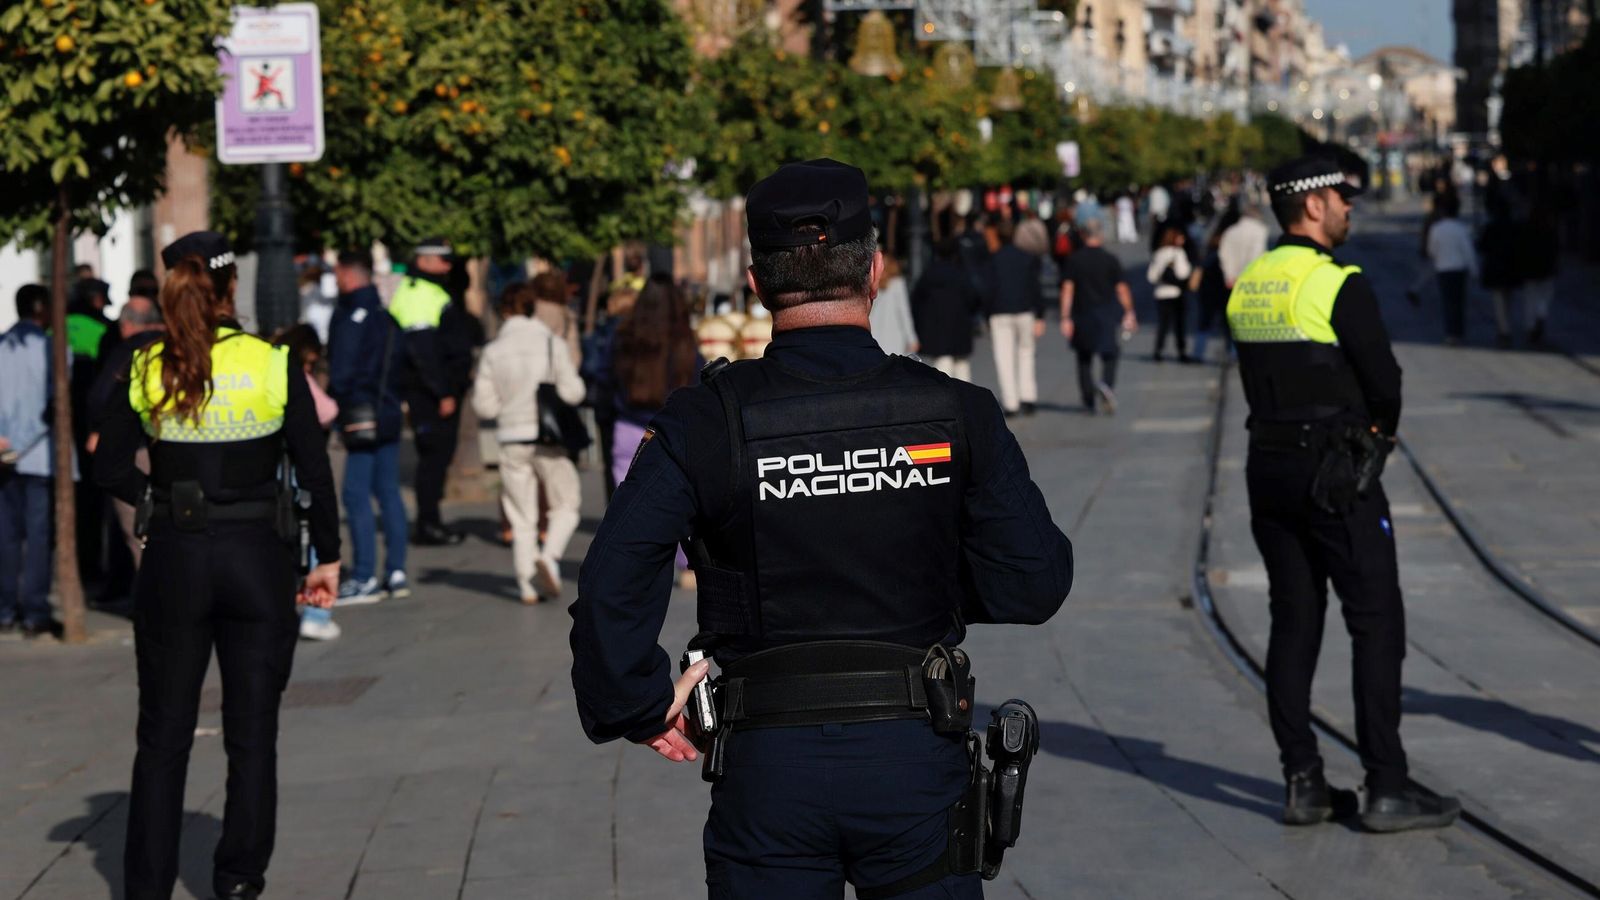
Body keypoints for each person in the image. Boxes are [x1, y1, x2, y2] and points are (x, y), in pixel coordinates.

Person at [569, 158, 1073, 899]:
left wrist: (636, 704)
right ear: (873, 272)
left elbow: (613, 577)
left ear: (757, 284)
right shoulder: (955, 411)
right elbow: (1034, 580)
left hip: (768, 766)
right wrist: (923, 578)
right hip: (912, 751)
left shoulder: (706, 420)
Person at [94, 232, 342, 900]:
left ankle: (145, 887)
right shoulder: (271, 360)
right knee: (253, 736)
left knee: (163, 736)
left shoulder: (147, 364)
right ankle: (237, 881)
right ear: (231, 288)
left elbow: (107, 464)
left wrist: (157, 500)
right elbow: (313, 466)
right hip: (258, 559)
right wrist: (329, 556)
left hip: (176, 557)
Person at [1227, 157, 1459, 833]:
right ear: (1313, 206)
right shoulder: (1337, 283)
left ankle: (1303, 780)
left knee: (1293, 619)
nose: (1349, 208)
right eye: (1341, 198)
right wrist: (1375, 436)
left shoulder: (1250, 285)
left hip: (1266, 466)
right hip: (1334, 470)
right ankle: (1386, 783)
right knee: (1375, 619)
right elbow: (1384, 380)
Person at [472, 283, 585, 603]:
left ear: (504, 312)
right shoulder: (552, 343)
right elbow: (574, 392)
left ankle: (525, 584)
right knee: (566, 503)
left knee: (521, 515)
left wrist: (507, 407)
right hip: (547, 436)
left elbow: (483, 405)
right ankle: (549, 556)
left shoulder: (494, 350)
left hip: (510, 437)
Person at [326, 250, 409, 607]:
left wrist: (336, 400)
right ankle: (396, 571)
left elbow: (342, 370)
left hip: (360, 412)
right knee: (388, 491)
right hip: (388, 411)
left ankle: (363, 576)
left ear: (347, 274)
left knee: (355, 493)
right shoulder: (386, 316)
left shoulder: (350, 316)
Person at [390, 238, 473, 545]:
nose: (448, 265)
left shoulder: (429, 289)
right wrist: (443, 392)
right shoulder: (417, 292)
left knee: (437, 458)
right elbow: (422, 351)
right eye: (443, 260)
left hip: (437, 391)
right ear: (423, 261)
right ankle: (428, 525)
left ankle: (431, 521)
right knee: (433, 460)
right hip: (431, 394)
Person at [87, 293, 166, 596]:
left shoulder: (131, 353)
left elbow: (100, 396)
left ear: (126, 325)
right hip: (169, 445)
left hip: (136, 449)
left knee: (140, 532)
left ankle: (154, 598)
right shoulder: (174, 347)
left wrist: (98, 430)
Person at [0, 285, 60, 638]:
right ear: (41, 309)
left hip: (4, 455)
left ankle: (6, 608)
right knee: (37, 538)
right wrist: (21, 442)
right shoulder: (52, 348)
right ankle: (35, 611)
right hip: (37, 455)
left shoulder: (2, 346)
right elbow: (55, 406)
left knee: (7, 535)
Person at [276, 324, 342, 641]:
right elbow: (327, 410)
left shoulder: (267, 368)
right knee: (310, 534)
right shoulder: (294, 376)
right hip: (295, 467)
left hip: (270, 470)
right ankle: (316, 611)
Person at [1058, 218, 1136, 414]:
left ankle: (1088, 399)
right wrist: (1129, 312)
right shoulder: (1110, 259)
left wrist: (1065, 317)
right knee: (1110, 353)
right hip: (1105, 313)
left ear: (1084, 235)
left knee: (1084, 358)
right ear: (1100, 235)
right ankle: (1106, 384)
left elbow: (1067, 289)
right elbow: (1122, 289)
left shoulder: (1074, 260)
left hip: (1082, 313)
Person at [984, 219, 1044, 417]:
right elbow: (1035, 287)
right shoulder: (1027, 258)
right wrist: (1040, 315)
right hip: (1024, 309)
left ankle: (1011, 401)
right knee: (1026, 353)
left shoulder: (993, 259)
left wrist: (986, 314)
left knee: (1004, 357)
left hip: (1000, 311)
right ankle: (1028, 396)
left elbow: (988, 289)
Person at [909, 239, 981, 381]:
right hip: (960, 327)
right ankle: (966, 401)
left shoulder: (929, 275)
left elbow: (916, 302)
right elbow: (974, 298)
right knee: (962, 367)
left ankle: (947, 401)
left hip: (937, 330)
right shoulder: (961, 274)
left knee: (943, 366)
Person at [1423, 193, 1477, 346]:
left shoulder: (1436, 229)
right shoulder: (1461, 229)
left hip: (1443, 269)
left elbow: (1431, 250)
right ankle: (1458, 331)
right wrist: (1474, 270)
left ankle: (1450, 333)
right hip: (1459, 270)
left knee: (1448, 302)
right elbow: (1468, 251)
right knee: (1459, 302)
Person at [1146, 225, 1193, 362]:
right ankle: (1181, 351)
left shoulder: (1158, 253)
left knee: (1163, 325)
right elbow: (1183, 273)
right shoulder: (1178, 253)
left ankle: (1158, 350)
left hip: (1161, 293)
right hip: (1176, 293)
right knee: (1179, 324)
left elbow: (1151, 276)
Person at [1515, 200, 1559, 344]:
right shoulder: (1550, 230)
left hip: (1530, 271)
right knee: (1544, 297)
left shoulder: (1526, 229)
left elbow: (1521, 250)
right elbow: (1555, 251)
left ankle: (1531, 326)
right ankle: (1540, 316)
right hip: (1546, 270)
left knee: (1530, 299)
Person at [868, 254, 918, 356]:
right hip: (895, 335)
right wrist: (912, 338)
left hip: (875, 333)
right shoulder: (898, 284)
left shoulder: (873, 284)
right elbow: (904, 312)